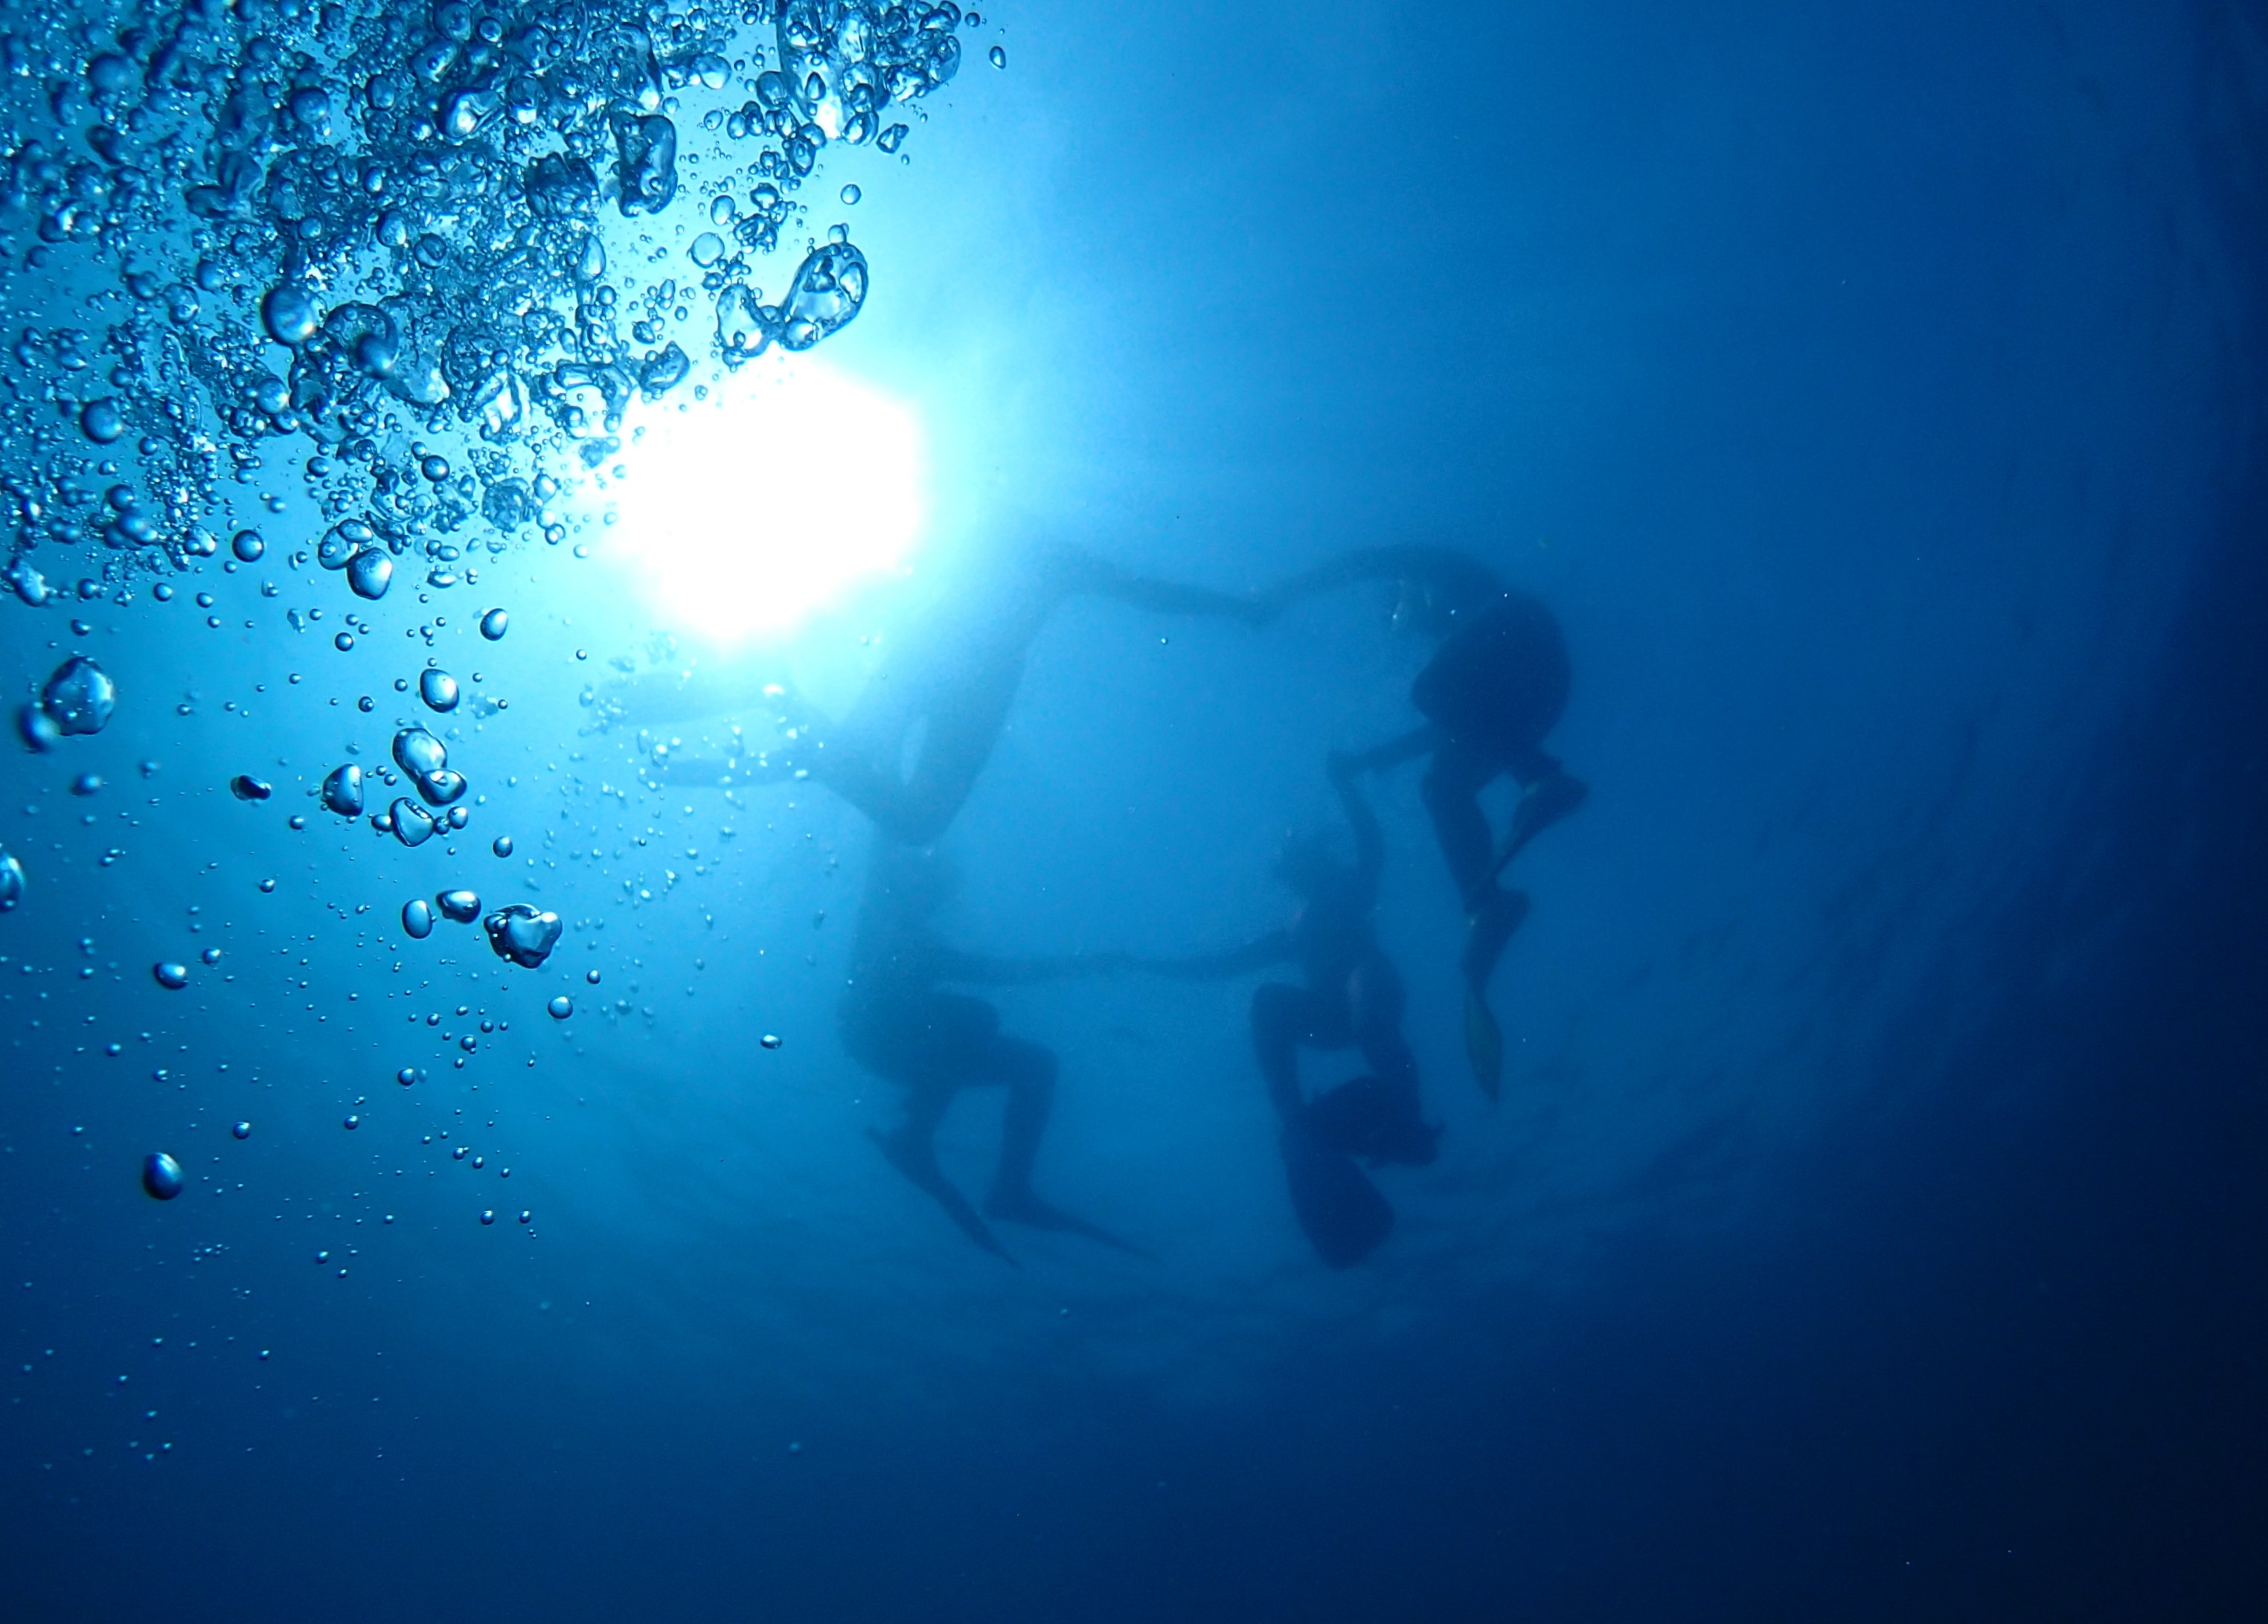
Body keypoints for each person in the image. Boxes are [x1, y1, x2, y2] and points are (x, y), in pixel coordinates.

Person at [625, 542, 1267, 845]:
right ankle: (768, 694)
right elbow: (1147, 591)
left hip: (929, 651)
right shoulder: (1052, 549)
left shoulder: (990, 516)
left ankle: (756, 704)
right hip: (979, 679)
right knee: (905, 811)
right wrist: (1237, 607)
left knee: (837, 759)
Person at [1261, 545, 1587, 1096]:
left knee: (1428, 688)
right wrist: (1370, 761)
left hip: (1525, 627)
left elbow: (1371, 559)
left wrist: (1285, 589)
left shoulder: (1443, 575)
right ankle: (1486, 903)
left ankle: (1541, 778)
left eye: (1402, 614)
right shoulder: (1467, 662)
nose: (1410, 628)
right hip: (1530, 698)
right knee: (1440, 785)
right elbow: (1453, 724)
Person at [1137, 753, 1438, 1267]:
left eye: (1305, 855)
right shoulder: (1290, 929)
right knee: (1267, 1001)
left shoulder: (1352, 890)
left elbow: (1370, 838)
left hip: (1373, 992)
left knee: (1361, 982)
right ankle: (1298, 1122)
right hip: (1329, 1015)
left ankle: (1407, 1116)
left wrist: (1346, 785)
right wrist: (1146, 966)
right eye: (1292, 860)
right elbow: (1219, 965)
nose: (1300, 863)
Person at [842, 833, 1135, 1262]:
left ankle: (1008, 1188)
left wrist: (1086, 964)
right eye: (931, 887)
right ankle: (917, 1136)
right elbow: (886, 836)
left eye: (940, 893)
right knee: (973, 1019)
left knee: (1037, 1064)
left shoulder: (916, 937)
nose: (935, 901)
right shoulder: (882, 914)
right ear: (905, 882)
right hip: (877, 1035)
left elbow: (999, 971)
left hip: (899, 1042)